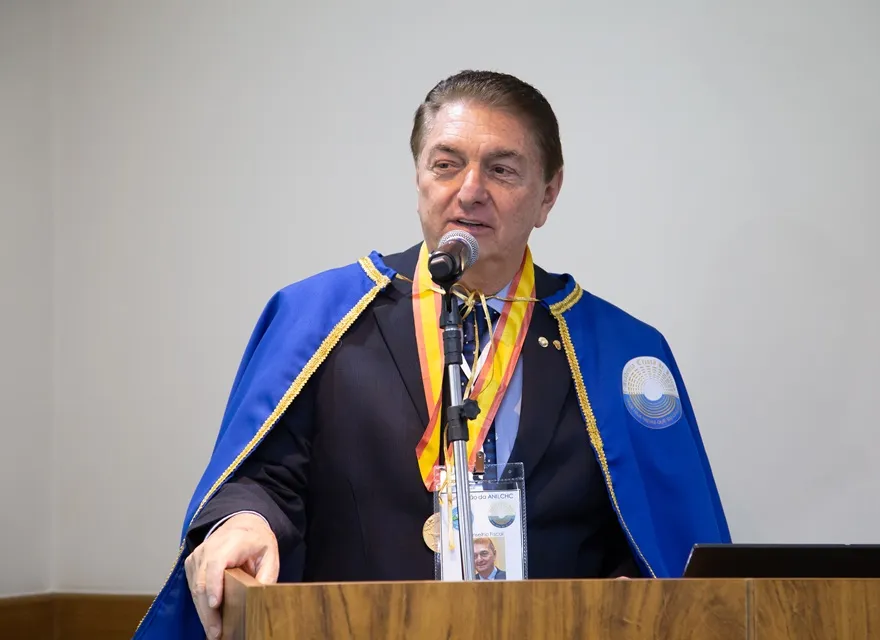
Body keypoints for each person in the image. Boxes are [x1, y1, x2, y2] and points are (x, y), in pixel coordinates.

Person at [133, 70, 730, 640]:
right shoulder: (319, 317)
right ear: (419, 175)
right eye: (446, 165)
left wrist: (635, 595)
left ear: (548, 195)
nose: (470, 191)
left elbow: (662, 540)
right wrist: (245, 520)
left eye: (502, 169)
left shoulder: (621, 352)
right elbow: (262, 478)